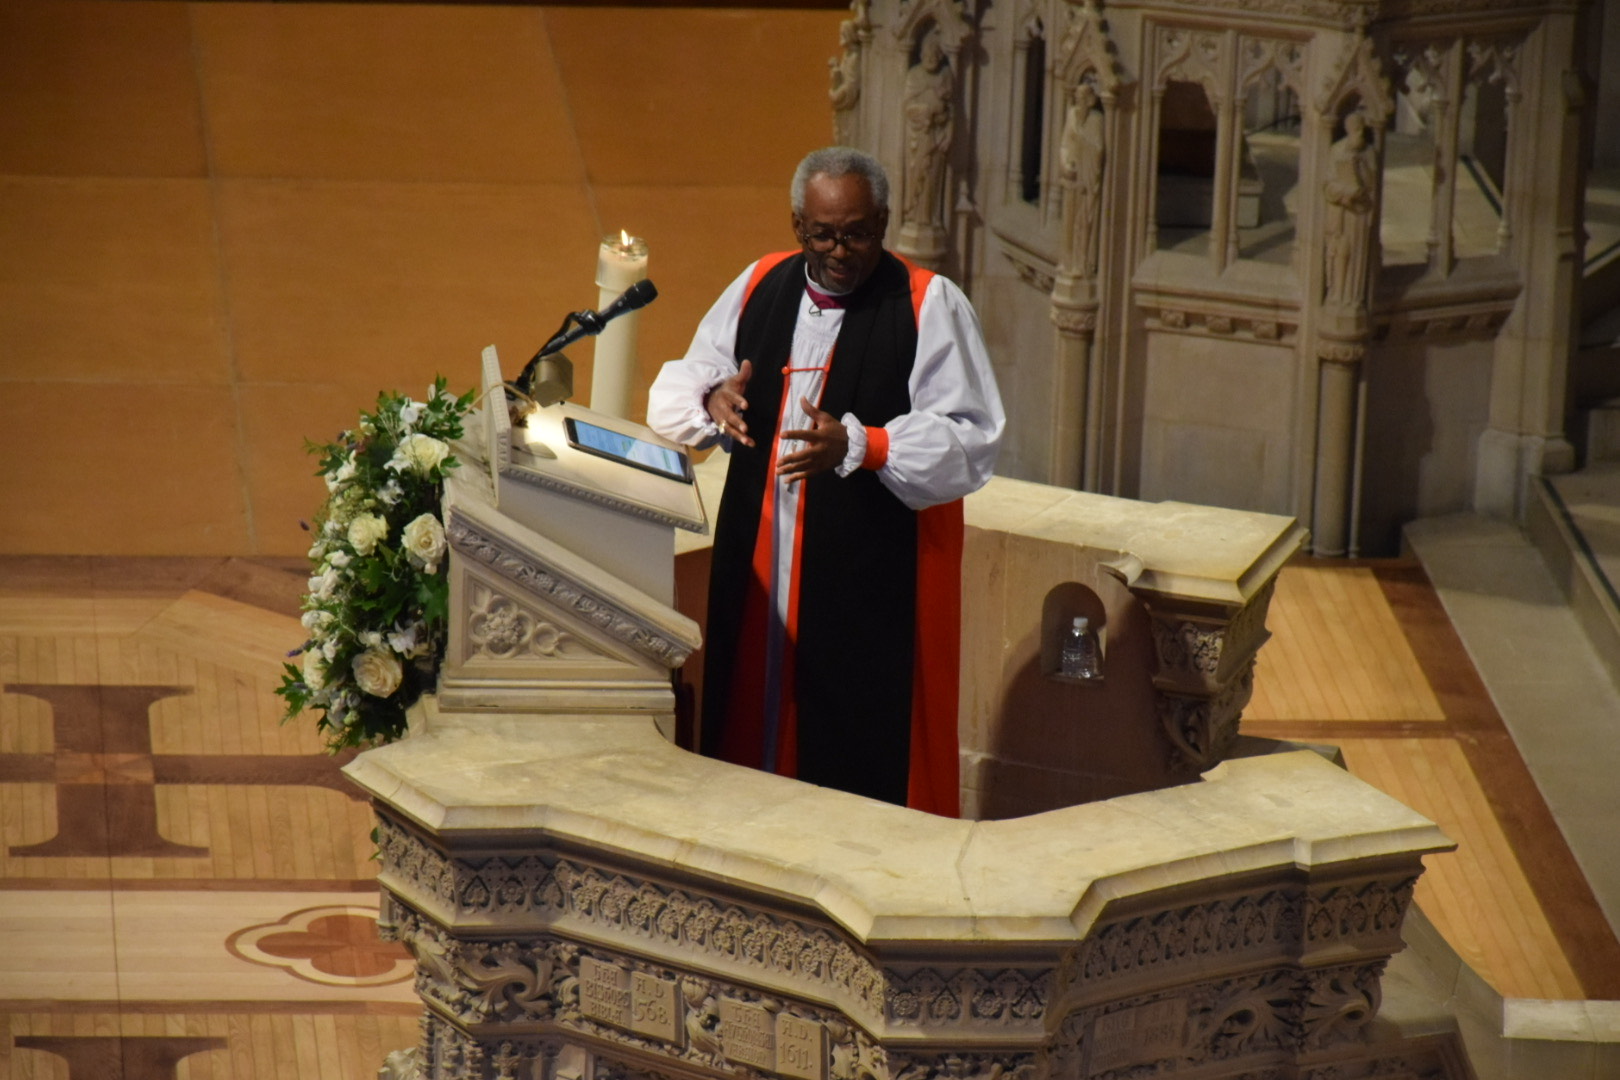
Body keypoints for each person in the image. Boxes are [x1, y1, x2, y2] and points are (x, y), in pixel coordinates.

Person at [647, 147, 1004, 815]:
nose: (840, 251)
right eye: (823, 233)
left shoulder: (927, 305)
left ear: (885, 222)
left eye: (859, 232)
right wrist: (711, 400)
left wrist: (865, 444)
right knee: (752, 738)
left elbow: (971, 439)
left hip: (871, 583)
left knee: (856, 756)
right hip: (759, 576)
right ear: (797, 224)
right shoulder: (761, 285)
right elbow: (681, 381)